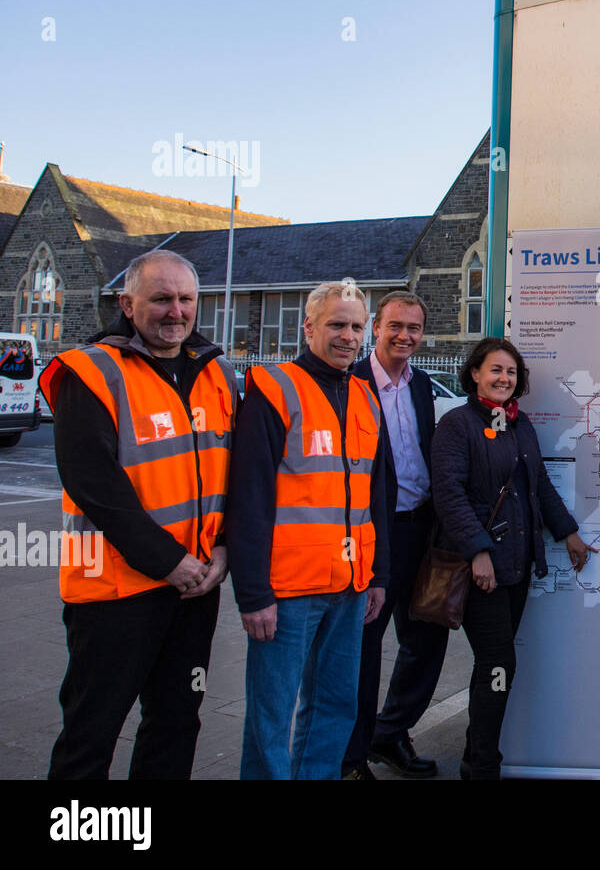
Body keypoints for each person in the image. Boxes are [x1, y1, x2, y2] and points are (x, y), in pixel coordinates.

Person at [38, 248, 236, 779]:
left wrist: (222, 549)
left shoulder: (217, 373)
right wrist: (169, 560)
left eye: (186, 299)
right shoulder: (91, 371)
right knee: (91, 730)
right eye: (161, 299)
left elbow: (233, 470)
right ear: (127, 304)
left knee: (177, 721)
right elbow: (93, 484)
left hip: (195, 586)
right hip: (115, 592)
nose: (176, 311)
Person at [226, 279, 390, 780]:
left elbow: (376, 494)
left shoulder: (365, 394)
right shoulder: (274, 389)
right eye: (336, 325)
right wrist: (252, 593)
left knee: (335, 708)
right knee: (271, 719)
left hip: (350, 584)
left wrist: (378, 574)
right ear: (309, 327)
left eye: (357, 327)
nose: (347, 336)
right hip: (288, 588)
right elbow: (248, 497)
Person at [430, 337, 595, 780]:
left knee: (494, 664)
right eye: (495, 370)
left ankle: (476, 755)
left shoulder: (521, 428)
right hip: (481, 571)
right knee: (499, 663)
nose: (504, 378)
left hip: (517, 568)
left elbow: (539, 488)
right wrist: (477, 551)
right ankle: (482, 766)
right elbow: (448, 493)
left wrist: (571, 534)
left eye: (511, 372)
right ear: (475, 375)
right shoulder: (457, 424)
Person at [342, 291, 448, 779]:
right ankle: (352, 753)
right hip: (371, 536)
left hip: (420, 531)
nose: (405, 336)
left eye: (414, 328)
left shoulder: (422, 385)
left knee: (425, 640)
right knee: (364, 647)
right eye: (395, 326)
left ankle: (390, 732)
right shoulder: (350, 383)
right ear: (375, 329)